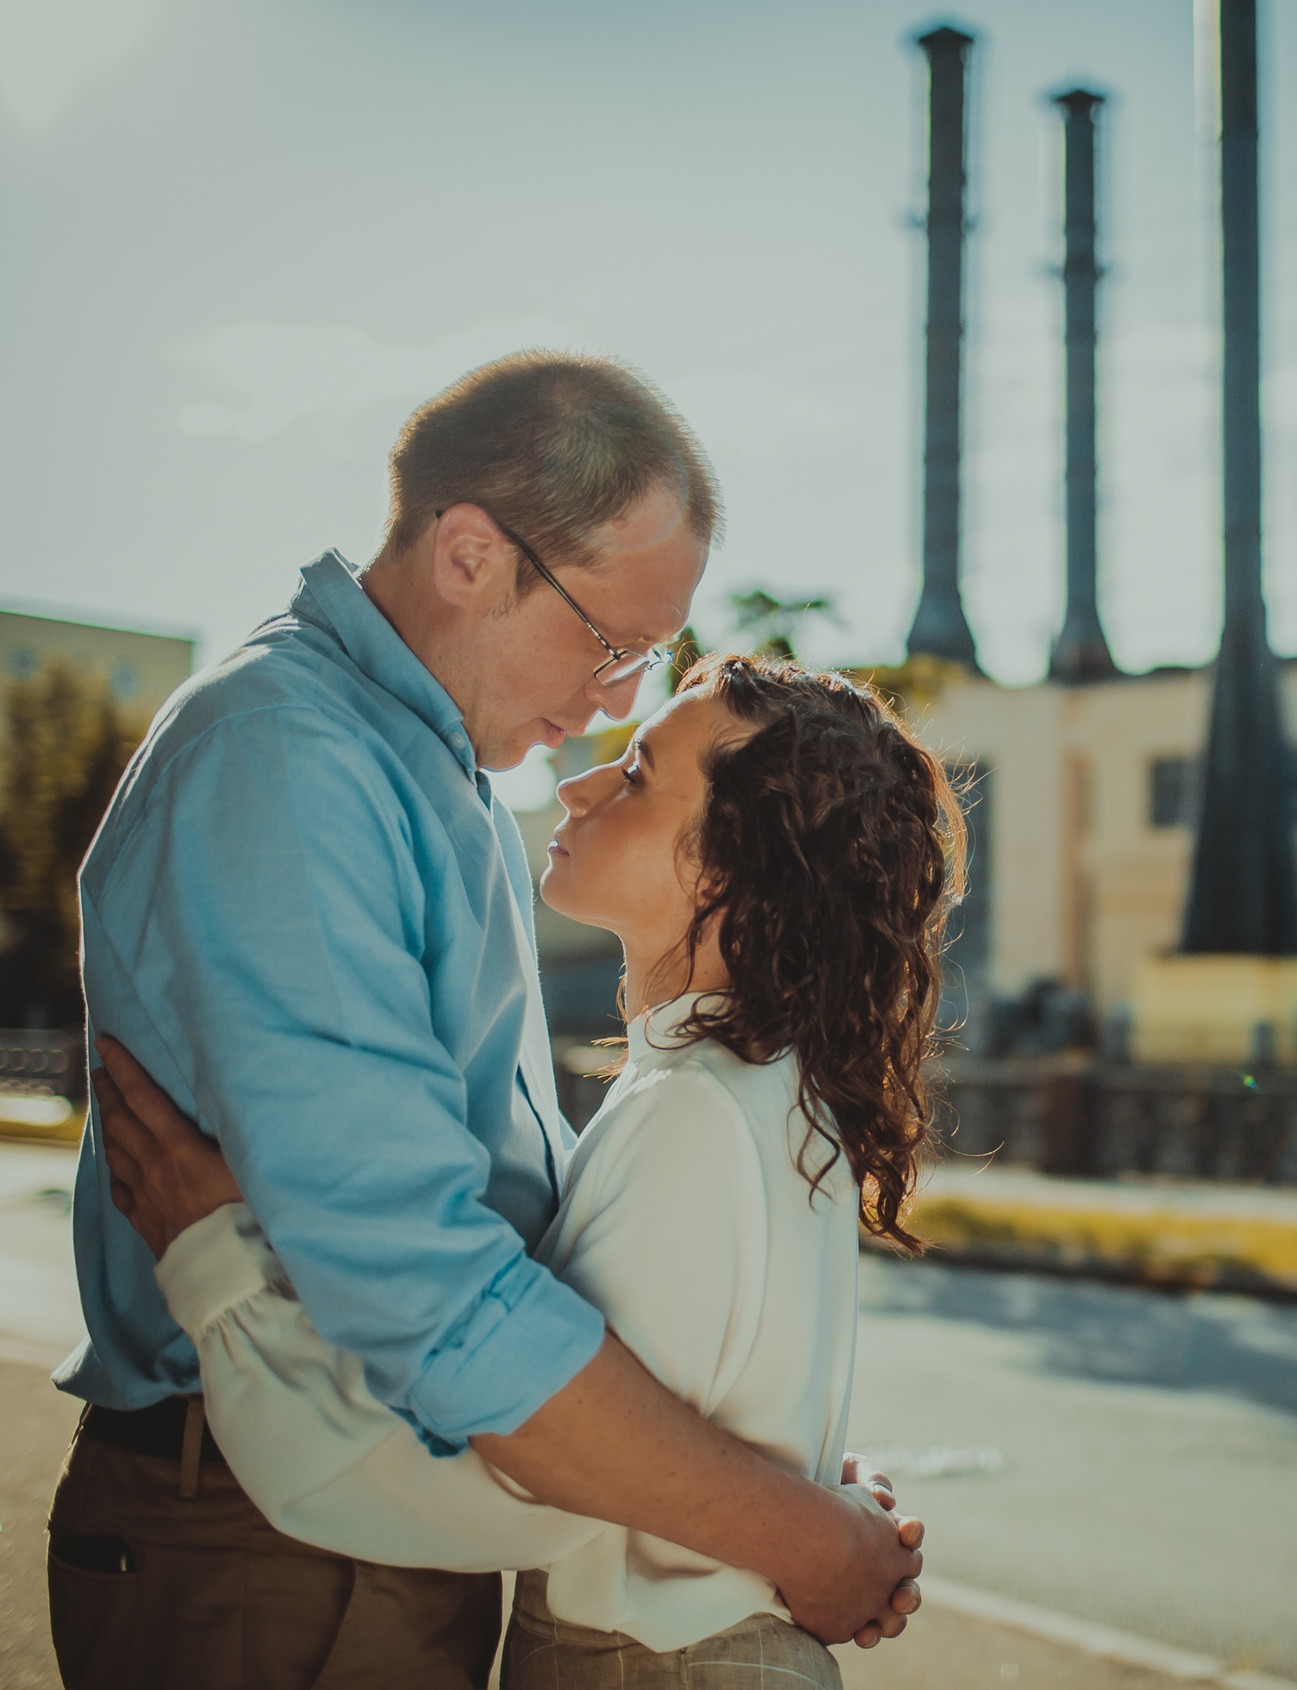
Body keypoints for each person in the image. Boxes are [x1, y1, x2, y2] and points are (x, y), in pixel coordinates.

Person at [48, 355, 921, 1690]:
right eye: (611, 643)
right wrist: (787, 1524)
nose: (618, 702)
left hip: (390, 1514)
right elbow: (432, 1299)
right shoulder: (290, 761)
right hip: (278, 1531)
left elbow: (572, 1280)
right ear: (470, 555)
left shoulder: (427, 768)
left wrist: (748, 1479)